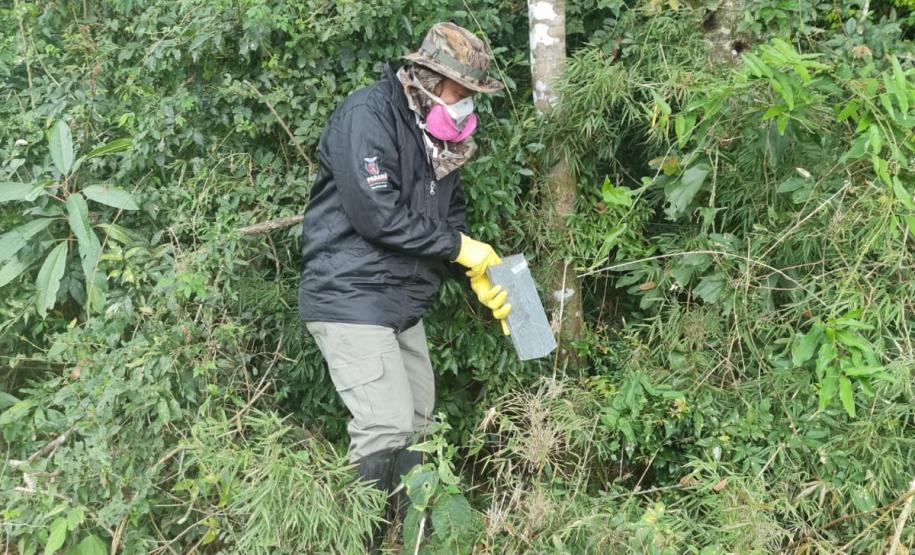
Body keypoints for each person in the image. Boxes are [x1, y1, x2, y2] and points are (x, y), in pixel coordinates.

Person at [297, 22, 511, 548]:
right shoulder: (366, 117)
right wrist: (462, 249)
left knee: (419, 425)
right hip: (349, 294)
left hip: (402, 302)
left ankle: (403, 540)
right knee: (385, 426)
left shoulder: (440, 138)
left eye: (471, 97)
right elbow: (377, 216)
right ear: (429, 78)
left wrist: (477, 272)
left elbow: (448, 219)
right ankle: (358, 544)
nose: (464, 106)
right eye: (461, 93)